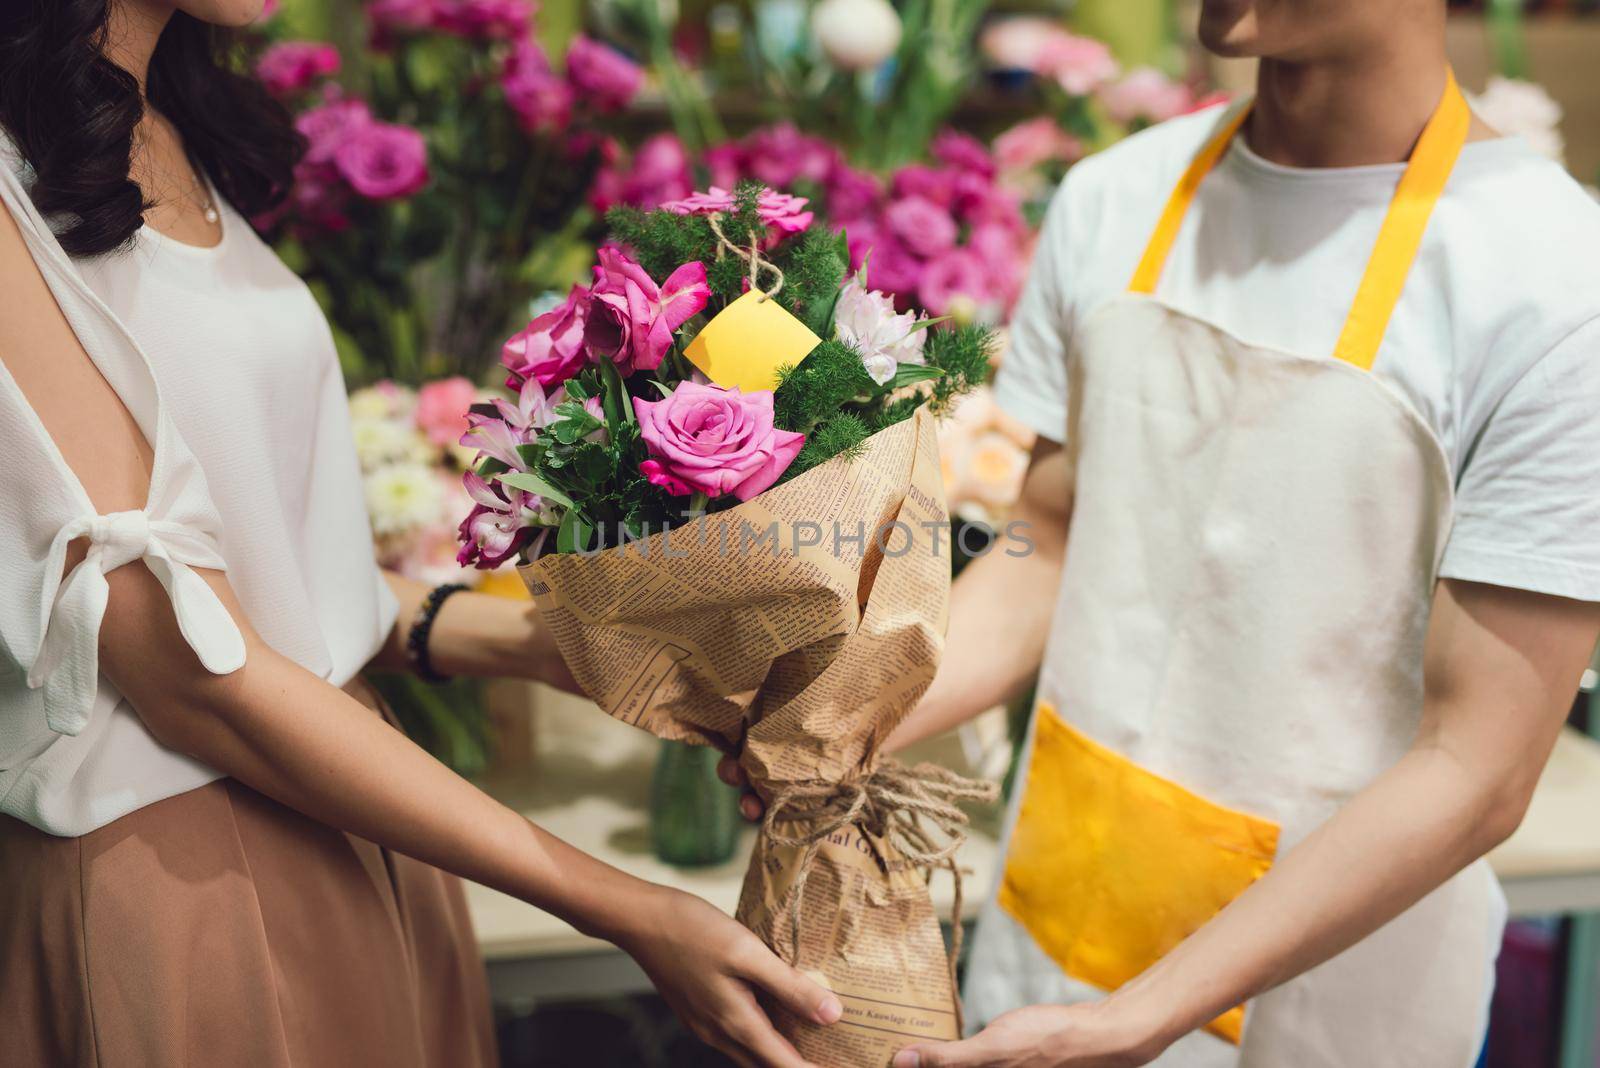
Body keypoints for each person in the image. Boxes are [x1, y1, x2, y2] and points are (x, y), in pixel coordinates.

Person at [727, 1, 1600, 1064]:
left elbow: (1476, 766)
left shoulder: (1555, 291)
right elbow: (1040, 546)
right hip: (1058, 929)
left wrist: (1136, 1018)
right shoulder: (1112, 198)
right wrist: (841, 713)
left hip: (1327, 999)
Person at [0, 2, 841, 1066]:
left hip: (363, 821)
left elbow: (271, 588)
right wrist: (622, 906)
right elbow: (189, 666)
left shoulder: (167, 123)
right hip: (179, 874)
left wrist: (578, 654)